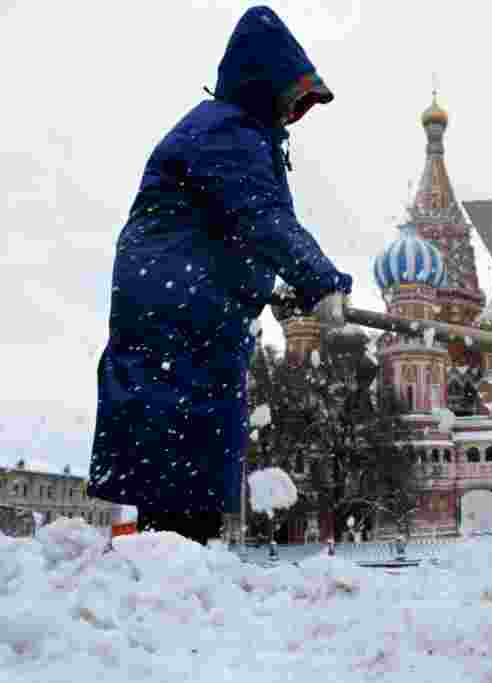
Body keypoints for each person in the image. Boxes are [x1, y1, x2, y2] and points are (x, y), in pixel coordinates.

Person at [87, 6, 352, 546]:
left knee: (185, 462)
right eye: (292, 98)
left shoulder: (230, 132)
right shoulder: (226, 131)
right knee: (180, 462)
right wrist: (321, 281)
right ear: (263, 83)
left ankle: (175, 573)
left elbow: (226, 230)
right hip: (178, 317)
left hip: (184, 312)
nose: (293, 113)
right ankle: (170, 579)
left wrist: (273, 287)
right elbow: (261, 218)